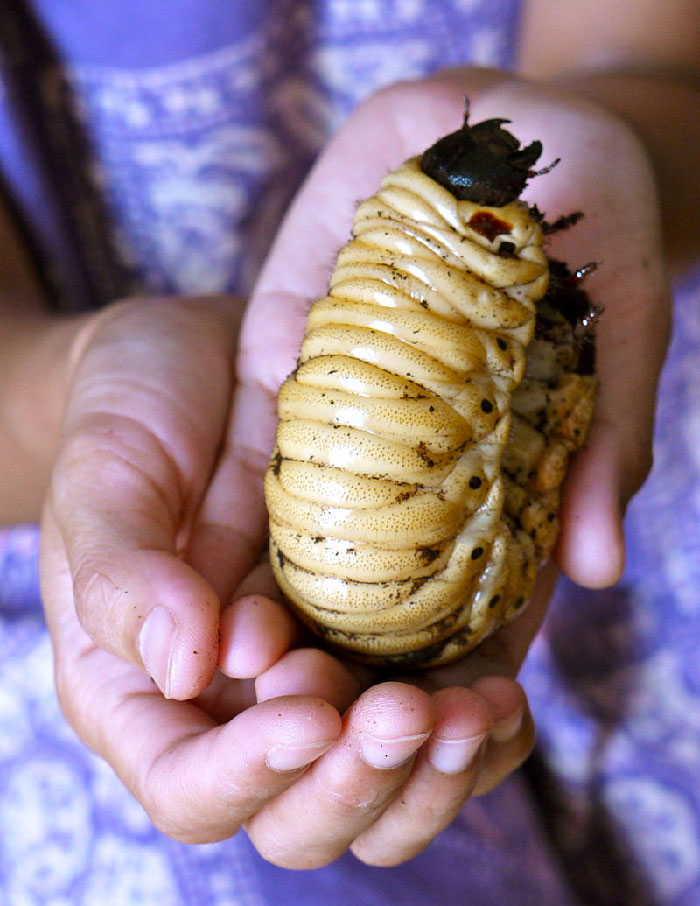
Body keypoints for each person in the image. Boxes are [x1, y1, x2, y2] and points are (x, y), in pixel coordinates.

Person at [0, 0, 697, 902]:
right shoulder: (507, 283)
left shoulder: (482, 287)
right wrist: (79, 376)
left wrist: (618, 141)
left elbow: (662, 69)